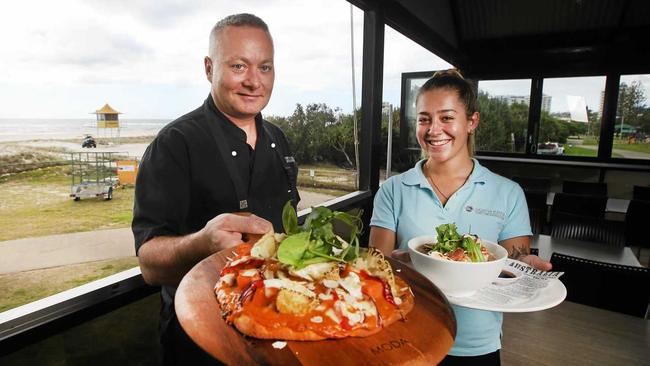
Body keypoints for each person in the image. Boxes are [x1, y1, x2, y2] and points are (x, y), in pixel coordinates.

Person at [132, 13, 299, 365]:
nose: (254, 81)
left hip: (277, 328)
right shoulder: (175, 144)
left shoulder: (279, 141)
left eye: (265, 68)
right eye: (239, 66)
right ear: (209, 69)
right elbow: (149, 264)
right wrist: (203, 243)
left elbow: (287, 231)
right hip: (200, 340)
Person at [369, 69, 551, 365]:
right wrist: (398, 263)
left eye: (447, 117)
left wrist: (524, 269)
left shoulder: (507, 193)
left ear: (472, 122)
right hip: (406, 336)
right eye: (424, 118)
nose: (433, 130)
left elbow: (512, 267)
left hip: (476, 345)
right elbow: (377, 267)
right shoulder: (393, 190)